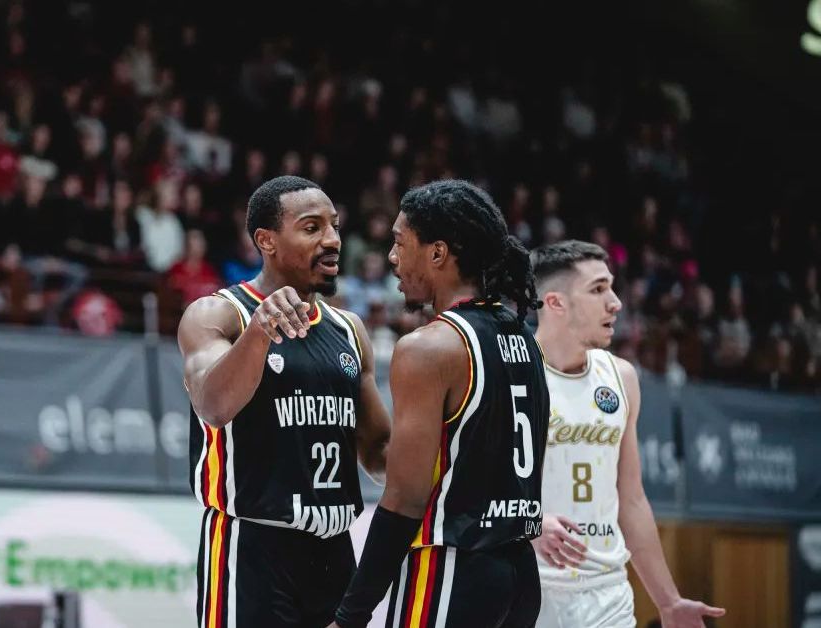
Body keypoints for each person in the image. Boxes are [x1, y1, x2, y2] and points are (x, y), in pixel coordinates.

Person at [330, 179, 549, 628]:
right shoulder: (525, 338)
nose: (392, 257)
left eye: (399, 242)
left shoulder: (429, 349)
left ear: (437, 253)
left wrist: (350, 615)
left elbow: (404, 500)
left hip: (452, 569)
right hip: (520, 577)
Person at [178, 175, 392, 627]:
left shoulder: (349, 329)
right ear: (266, 241)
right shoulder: (218, 314)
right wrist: (259, 333)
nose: (332, 240)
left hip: (335, 551)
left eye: (334, 226)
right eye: (312, 227)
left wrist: (451, 450)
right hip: (253, 547)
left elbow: (377, 453)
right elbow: (213, 407)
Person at [529, 240, 725, 628]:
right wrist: (529, 523)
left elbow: (631, 500)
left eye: (612, 287)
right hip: (530, 588)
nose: (615, 303)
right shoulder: (511, 374)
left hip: (608, 595)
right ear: (555, 303)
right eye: (598, 289)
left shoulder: (621, 377)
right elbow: (472, 484)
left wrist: (669, 602)